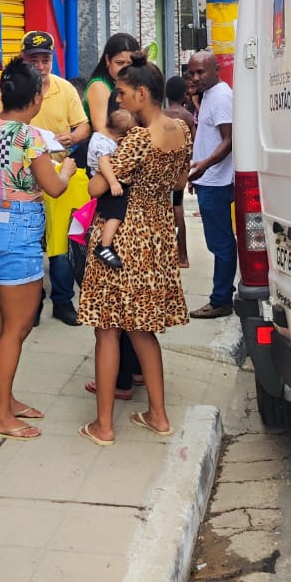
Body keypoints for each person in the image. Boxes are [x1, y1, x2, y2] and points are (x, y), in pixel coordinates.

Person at [78, 62, 190, 445]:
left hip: (124, 234)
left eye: (123, 93)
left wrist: (103, 170)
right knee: (143, 329)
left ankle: (104, 426)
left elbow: (96, 188)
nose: (119, 99)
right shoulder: (180, 131)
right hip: (157, 234)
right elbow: (180, 180)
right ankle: (158, 416)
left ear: (142, 93)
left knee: (107, 329)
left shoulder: (139, 139)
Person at [0, 58, 78, 439]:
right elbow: (55, 188)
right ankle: (1, 413)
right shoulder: (31, 138)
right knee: (17, 327)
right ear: (35, 98)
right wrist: (67, 170)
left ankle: (4, 399)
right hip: (15, 234)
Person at [0, 31, 89, 325]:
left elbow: (83, 125)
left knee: (60, 245)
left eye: (45, 60)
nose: (41, 66)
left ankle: (62, 301)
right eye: (34, 60)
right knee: (30, 245)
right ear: (22, 59)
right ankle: (32, 304)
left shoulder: (64, 89)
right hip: (20, 179)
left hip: (56, 173)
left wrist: (72, 137)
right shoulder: (2, 91)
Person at [185, 51, 236, 319]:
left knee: (221, 244)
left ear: (216, 70)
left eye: (200, 72)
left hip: (217, 182)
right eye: (191, 72)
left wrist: (204, 166)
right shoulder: (208, 96)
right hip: (208, 180)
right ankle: (222, 296)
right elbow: (208, 137)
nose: (195, 77)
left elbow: (229, 140)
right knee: (218, 243)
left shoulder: (221, 97)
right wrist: (199, 175)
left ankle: (221, 300)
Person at [87, 102, 136, 269]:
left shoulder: (101, 135)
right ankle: (105, 246)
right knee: (116, 213)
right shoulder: (103, 143)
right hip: (105, 183)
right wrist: (113, 183)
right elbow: (104, 164)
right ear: (119, 136)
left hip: (106, 182)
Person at [164, 76, 196, 268]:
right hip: (180, 170)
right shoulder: (188, 117)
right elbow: (194, 144)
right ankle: (182, 255)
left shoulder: (161, 115)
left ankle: (165, 253)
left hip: (162, 168)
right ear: (184, 94)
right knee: (178, 207)